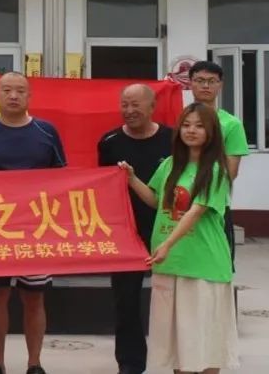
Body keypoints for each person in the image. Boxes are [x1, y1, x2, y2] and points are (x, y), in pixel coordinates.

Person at [119, 103, 240, 373]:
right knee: (175, 344)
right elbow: (156, 200)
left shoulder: (216, 171)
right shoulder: (170, 165)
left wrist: (167, 244)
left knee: (204, 342)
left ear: (211, 132)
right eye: (186, 125)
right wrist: (132, 178)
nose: (191, 131)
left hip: (202, 266)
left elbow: (195, 212)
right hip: (169, 264)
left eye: (199, 126)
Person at [0, 72, 65, 374]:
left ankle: (34, 363)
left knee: (34, 298)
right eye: (7, 90)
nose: (13, 96)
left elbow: (62, 179)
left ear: (29, 96)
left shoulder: (46, 131)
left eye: (20, 91)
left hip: (37, 227)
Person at [98, 84, 173, 374]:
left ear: (152, 107)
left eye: (136, 105)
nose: (129, 111)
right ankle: (130, 363)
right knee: (126, 300)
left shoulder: (173, 140)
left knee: (172, 297)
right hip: (125, 232)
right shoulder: (109, 142)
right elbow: (103, 187)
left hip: (166, 229)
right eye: (124, 105)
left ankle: (177, 358)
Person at [189, 60, 249, 265]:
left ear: (220, 85)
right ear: (190, 83)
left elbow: (231, 171)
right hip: (179, 202)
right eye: (200, 80)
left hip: (214, 205)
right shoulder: (179, 120)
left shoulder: (231, 124)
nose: (205, 86)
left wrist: (203, 196)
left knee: (217, 263)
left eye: (211, 81)